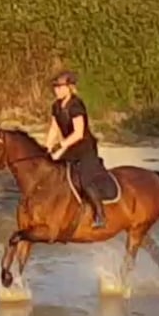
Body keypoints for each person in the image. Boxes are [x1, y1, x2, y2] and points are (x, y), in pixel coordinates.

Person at [45, 70, 107, 229]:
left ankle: (100, 214)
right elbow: (54, 128)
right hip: (69, 148)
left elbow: (78, 133)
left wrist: (60, 148)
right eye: (55, 87)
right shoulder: (56, 106)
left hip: (84, 149)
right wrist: (47, 147)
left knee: (85, 181)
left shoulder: (76, 105)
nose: (56, 90)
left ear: (69, 88)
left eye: (60, 87)